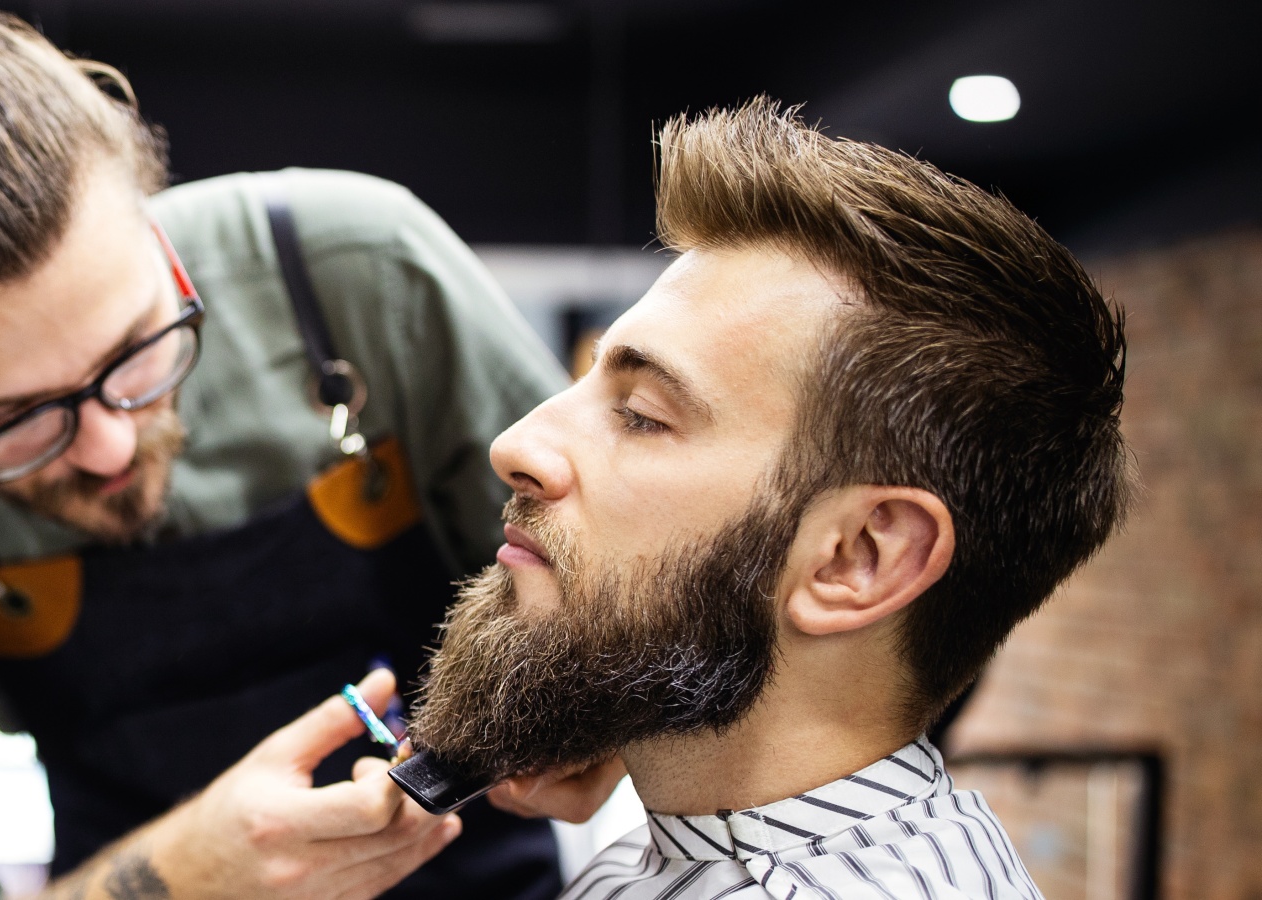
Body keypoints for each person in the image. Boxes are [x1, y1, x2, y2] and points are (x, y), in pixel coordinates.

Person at [0, 1, 570, 898]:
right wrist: (184, 874)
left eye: (136, 350)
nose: (112, 446)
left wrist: (582, 704)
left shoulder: (355, 275)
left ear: (154, 227)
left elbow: (629, 575)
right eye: (19, 416)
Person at [403, 99, 1131, 899]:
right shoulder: (692, 842)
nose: (515, 445)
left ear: (856, 558)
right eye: (588, 379)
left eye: (643, 416)